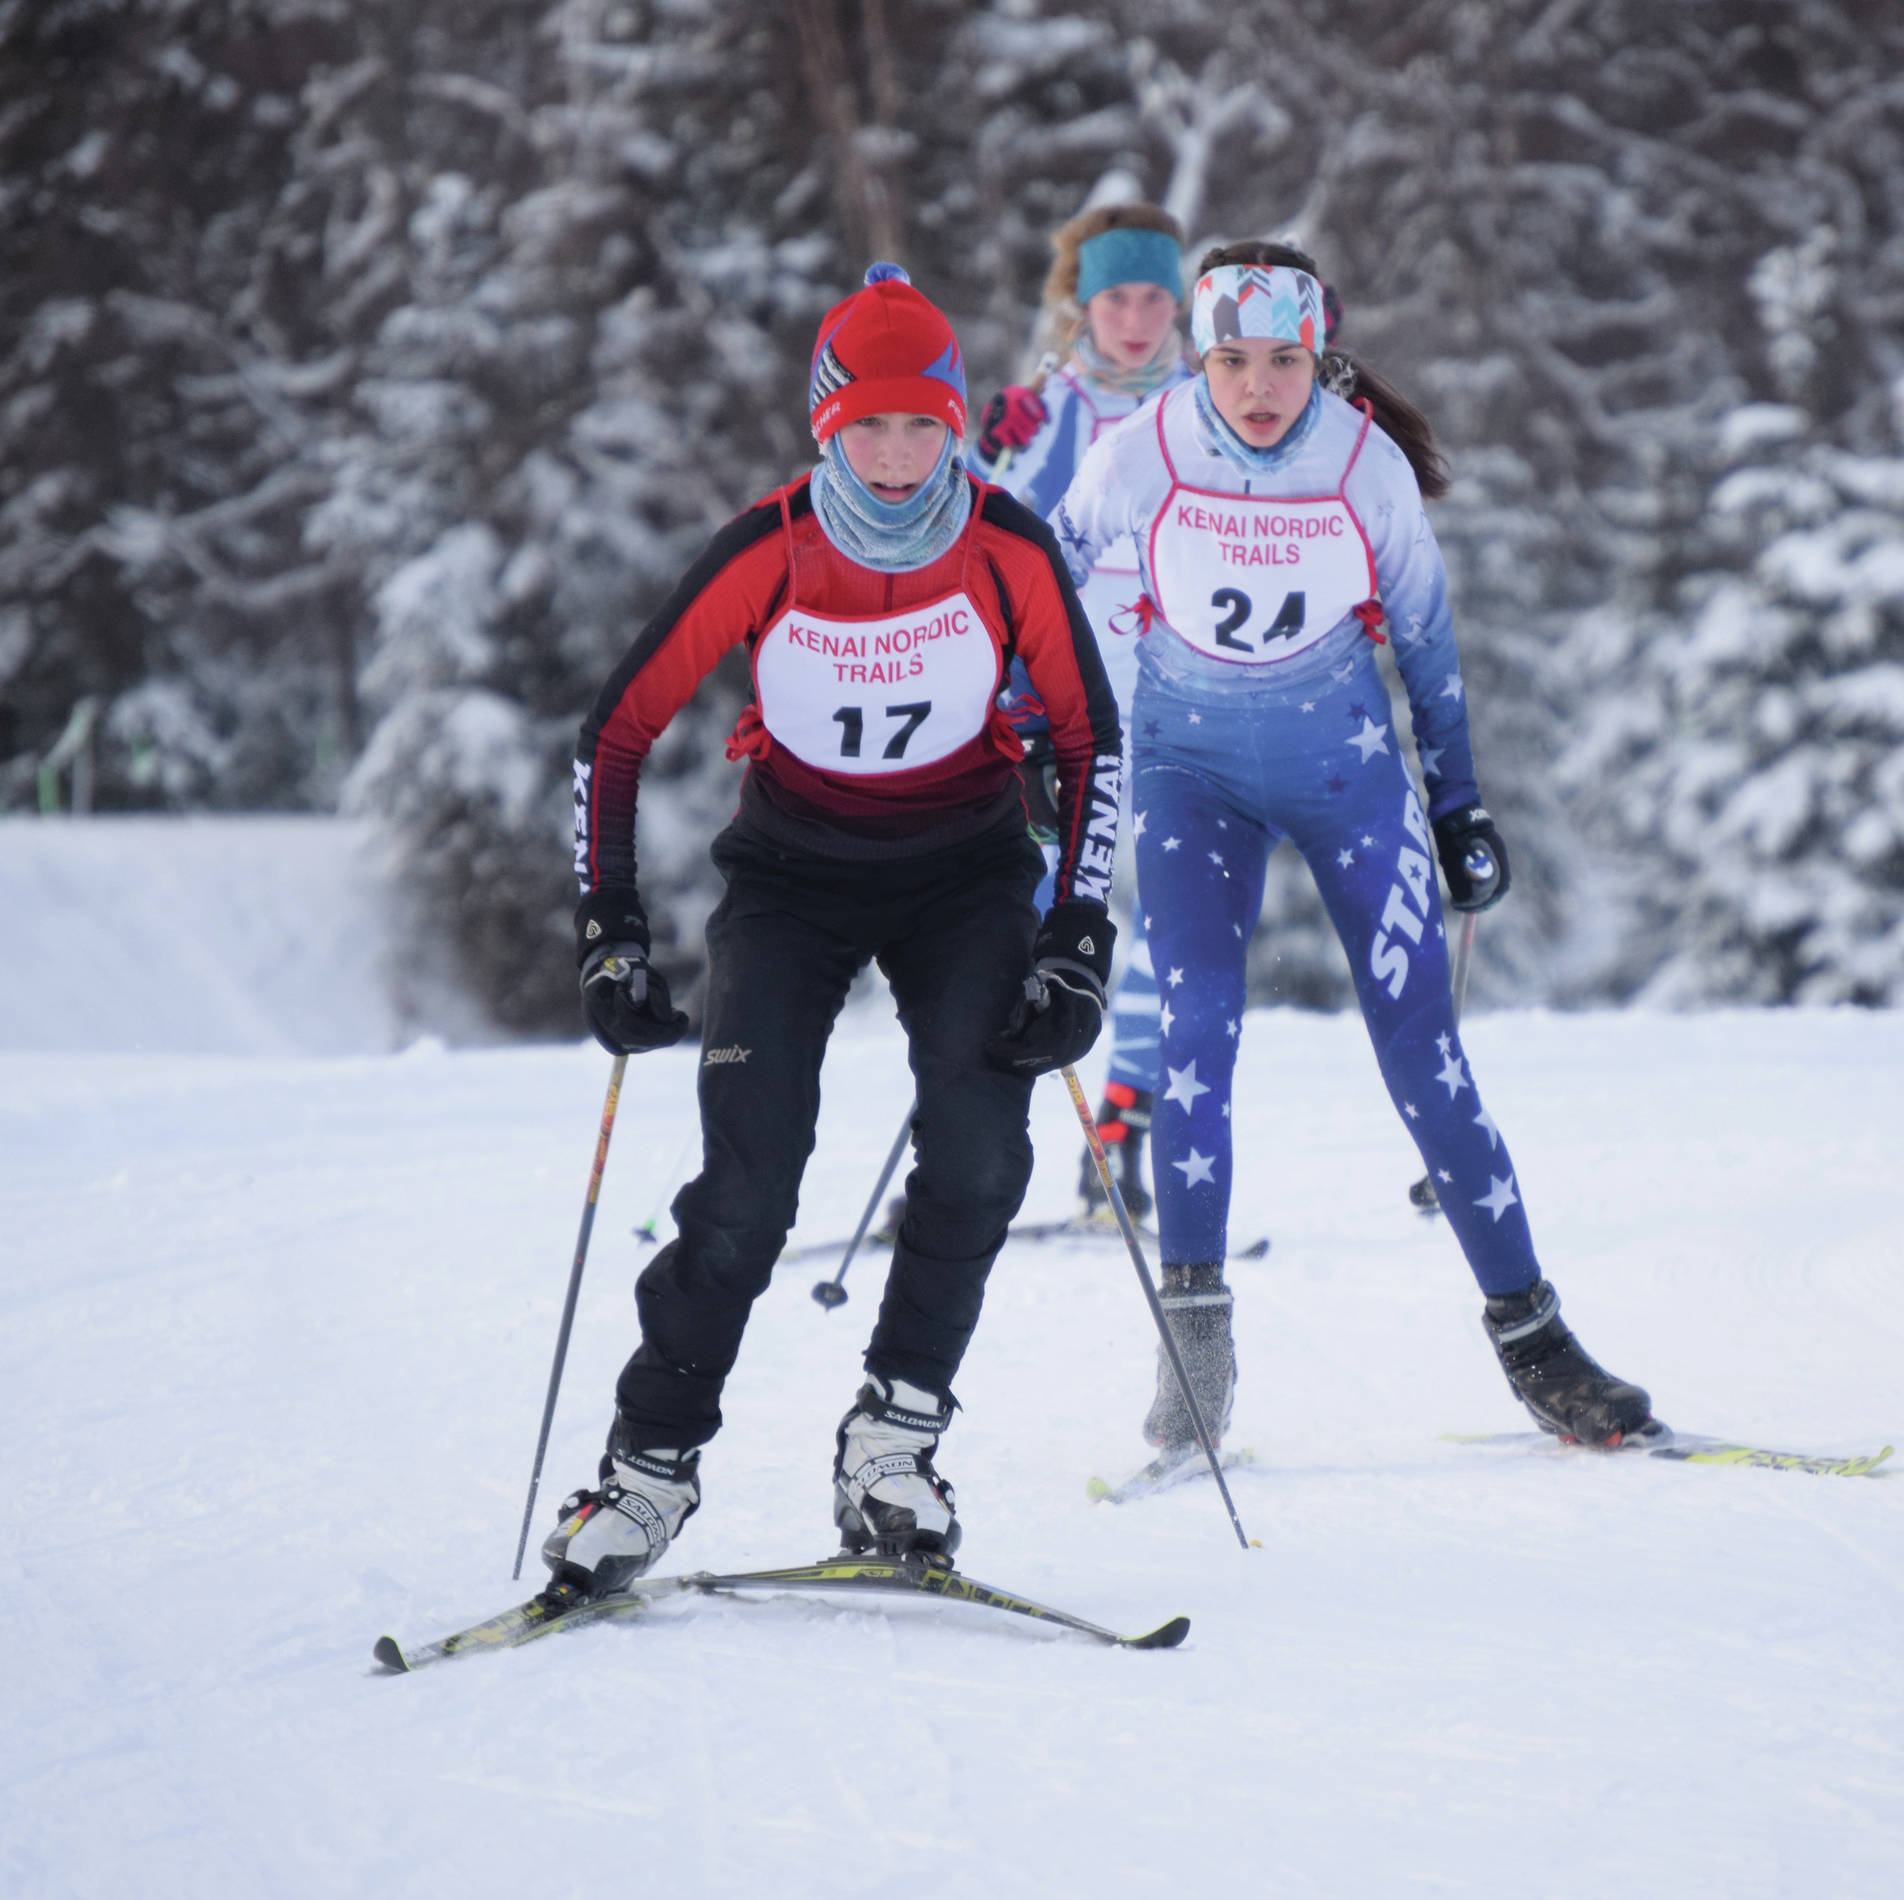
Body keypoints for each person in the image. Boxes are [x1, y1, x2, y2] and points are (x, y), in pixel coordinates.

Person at [545, 264, 1124, 1604]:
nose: (899, 452)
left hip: (965, 875)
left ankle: (895, 1445)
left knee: (981, 1157)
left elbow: (1096, 739)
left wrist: (1079, 934)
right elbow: (616, 732)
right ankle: (646, 1469)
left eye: (923, 424)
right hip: (793, 882)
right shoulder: (772, 544)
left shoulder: (1004, 543)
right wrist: (608, 929)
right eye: (870, 425)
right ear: (826, 424)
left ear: (956, 425)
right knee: (748, 1193)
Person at [1050, 240, 1653, 1457]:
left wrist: (1460, 802)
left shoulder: (1361, 463)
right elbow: (1042, 572)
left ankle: (1539, 1346)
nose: (1259, 388)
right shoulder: (1142, 451)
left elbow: (1425, 644)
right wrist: (1030, 724)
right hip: (1188, 775)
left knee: (1423, 1055)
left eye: (1283, 361)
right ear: (1196, 358)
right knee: (1194, 1042)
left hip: (1345, 779)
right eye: (1231, 361)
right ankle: (1197, 1349)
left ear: (1318, 358)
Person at [969, 202, 1195, 1223]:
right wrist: (984, 452)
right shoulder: (1051, 408)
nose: (1136, 319)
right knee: (1023, 917)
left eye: (1154, 297)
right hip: (1064, 700)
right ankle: (974, 1141)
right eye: (1116, 299)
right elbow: (987, 534)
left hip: (1185, 693)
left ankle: (1120, 1127)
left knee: (1175, 913)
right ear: (1081, 306)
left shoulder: (1208, 401)